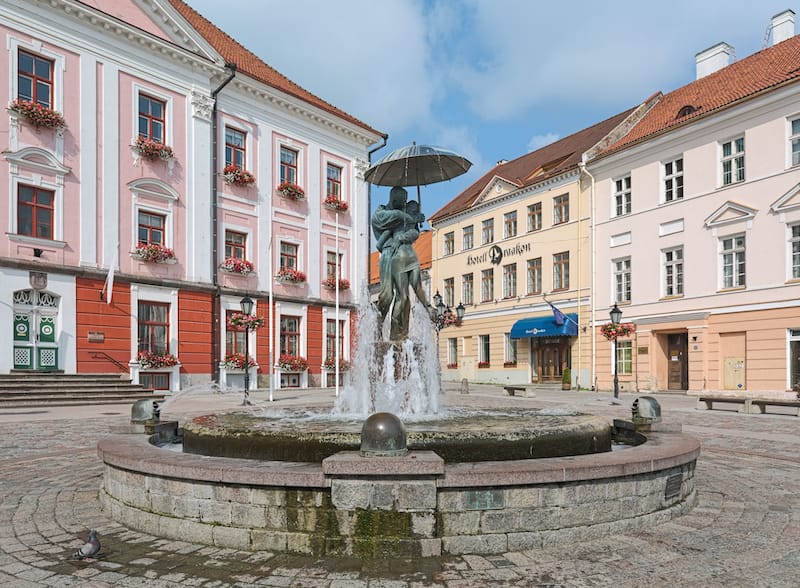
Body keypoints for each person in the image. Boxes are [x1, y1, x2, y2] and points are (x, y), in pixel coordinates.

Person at [371, 187, 430, 340]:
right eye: (402, 200)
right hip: (388, 254)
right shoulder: (381, 211)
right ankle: (377, 326)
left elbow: (414, 232)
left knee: (403, 298)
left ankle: (398, 335)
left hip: (403, 254)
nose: (404, 203)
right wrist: (410, 218)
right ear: (394, 199)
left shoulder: (404, 211)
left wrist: (414, 222)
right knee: (387, 295)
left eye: (406, 200)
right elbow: (388, 218)